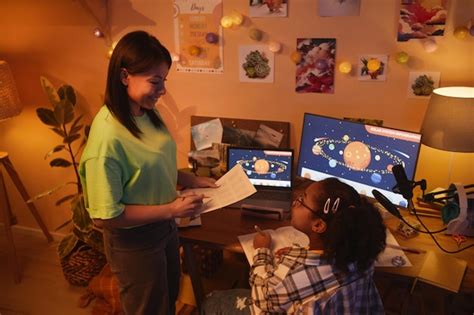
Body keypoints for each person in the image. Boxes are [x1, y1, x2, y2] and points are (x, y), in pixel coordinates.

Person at [79, 30, 217, 315]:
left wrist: (189, 179)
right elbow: (106, 216)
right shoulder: (106, 139)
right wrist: (170, 209)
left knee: (167, 298)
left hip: (164, 228)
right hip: (134, 241)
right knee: (148, 308)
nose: (163, 89)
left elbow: (154, 159)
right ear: (124, 76)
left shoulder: (144, 111)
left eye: (164, 80)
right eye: (155, 81)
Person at [201, 177, 386, 314]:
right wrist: (302, 252)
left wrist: (261, 252)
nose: (295, 201)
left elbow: (264, 300)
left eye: (302, 200)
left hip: (269, 300)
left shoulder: (296, 270)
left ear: (318, 225)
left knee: (212, 302)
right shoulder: (361, 253)